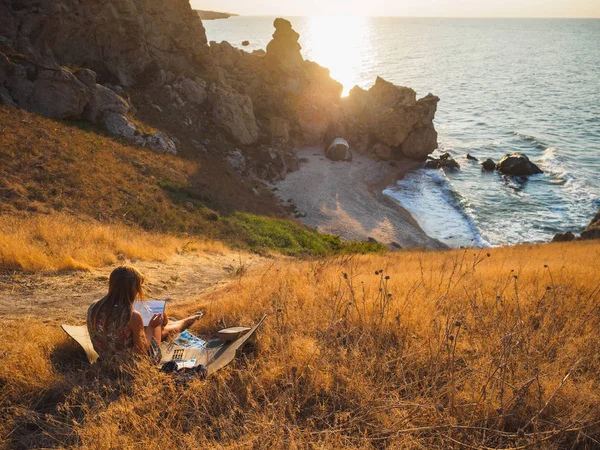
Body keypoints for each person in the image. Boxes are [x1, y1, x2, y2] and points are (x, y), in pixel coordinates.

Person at [86, 266, 202, 362]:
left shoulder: (94, 306)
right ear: (133, 288)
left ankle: (178, 322)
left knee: (148, 325)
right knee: (158, 328)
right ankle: (185, 322)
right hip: (130, 363)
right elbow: (141, 352)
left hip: (106, 357)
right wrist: (151, 327)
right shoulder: (132, 316)